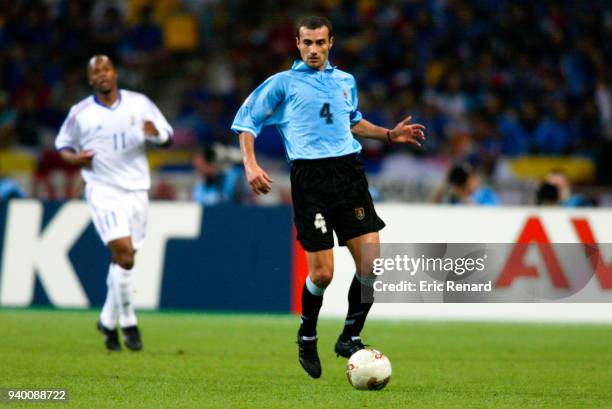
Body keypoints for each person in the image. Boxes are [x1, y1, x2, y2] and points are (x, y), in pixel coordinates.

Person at [231, 16, 425, 379]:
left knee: (371, 265)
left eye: (321, 42)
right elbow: (246, 122)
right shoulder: (282, 84)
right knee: (322, 275)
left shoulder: (345, 81)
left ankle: (350, 336)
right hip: (311, 180)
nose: (314, 49)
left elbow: (350, 121)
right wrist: (250, 165)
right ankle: (307, 335)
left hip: (349, 176)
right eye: (308, 43)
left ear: (331, 42)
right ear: (297, 44)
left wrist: (388, 134)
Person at [55, 55, 173, 352]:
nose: (102, 75)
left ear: (114, 73)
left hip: (136, 190)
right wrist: (75, 158)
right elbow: (63, 147)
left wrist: (155, 135)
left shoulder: (139, 103)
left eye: (106, 69)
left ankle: (107, 321)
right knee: (125, 255)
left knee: (123, 260)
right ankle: (129, 322)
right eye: (95, 72)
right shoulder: (80, 113)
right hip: (102, 190)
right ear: (90, 79)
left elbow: (167, 136)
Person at [432, 163, 500, 205]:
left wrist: (464, 197)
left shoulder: (487, 194)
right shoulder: (453, 197)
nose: (465, 181)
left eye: (470, 177)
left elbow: (488, 215)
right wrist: (445, 185)